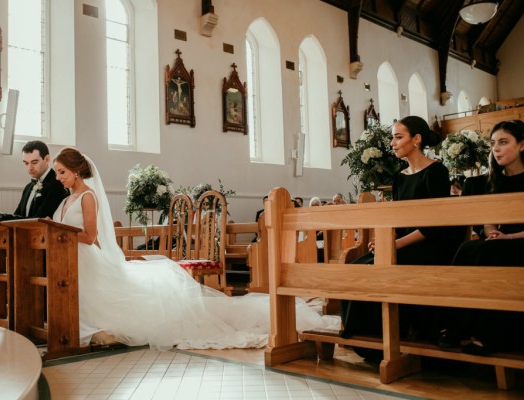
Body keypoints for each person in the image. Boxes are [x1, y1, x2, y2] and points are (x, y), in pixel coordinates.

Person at [50, 147, 339, 349]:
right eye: (57, 173)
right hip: (71, 257)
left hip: (84, 254)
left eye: (62, 172)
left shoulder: (88, 197)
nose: (58, 178)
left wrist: (67, 235)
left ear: (76, 171)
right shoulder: (67, 200)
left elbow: (90, 236)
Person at [339, 116, 466, 359]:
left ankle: (391, 335)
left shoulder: (436, 171)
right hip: (403, 243)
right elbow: (396, 219)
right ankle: (365, 336)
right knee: (357, 267)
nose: (393, 143)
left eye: (399, 137)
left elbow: (435, 226)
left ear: (416, 140)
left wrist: (395, 245)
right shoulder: (399, 176)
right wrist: (384, 240)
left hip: (430, 243)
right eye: (393, 137)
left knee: (377, 267)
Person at [449, 120, 524, 355]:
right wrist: (492, 231)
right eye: (493, 144)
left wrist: (508, 237)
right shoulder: (490, 182)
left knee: (486, 253)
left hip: (520, 241)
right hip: (500, 240)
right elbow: (487, 216)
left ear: (521, 145)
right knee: (467, 249)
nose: (496, 149)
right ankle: (458, 326)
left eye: (503, 142)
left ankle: (489, 335)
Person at [0, 140, 69, 226]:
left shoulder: (58, 183)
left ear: (47, 159)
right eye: (26, 163)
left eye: (34, 162)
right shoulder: (29, 187)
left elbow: (40, 220)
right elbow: (18, 216)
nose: (29, 168)